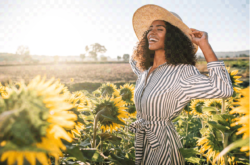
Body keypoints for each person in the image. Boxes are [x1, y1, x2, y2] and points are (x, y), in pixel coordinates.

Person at [128, 4, 234, 165]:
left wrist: (204, 44)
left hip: (163, 146)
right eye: (149, 29)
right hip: (142, 142)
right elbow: (133, 59)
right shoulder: (144, 71)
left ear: (173, 37)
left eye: (160, 29)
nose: (152, 32)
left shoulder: (182, 72)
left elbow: (224, 89)